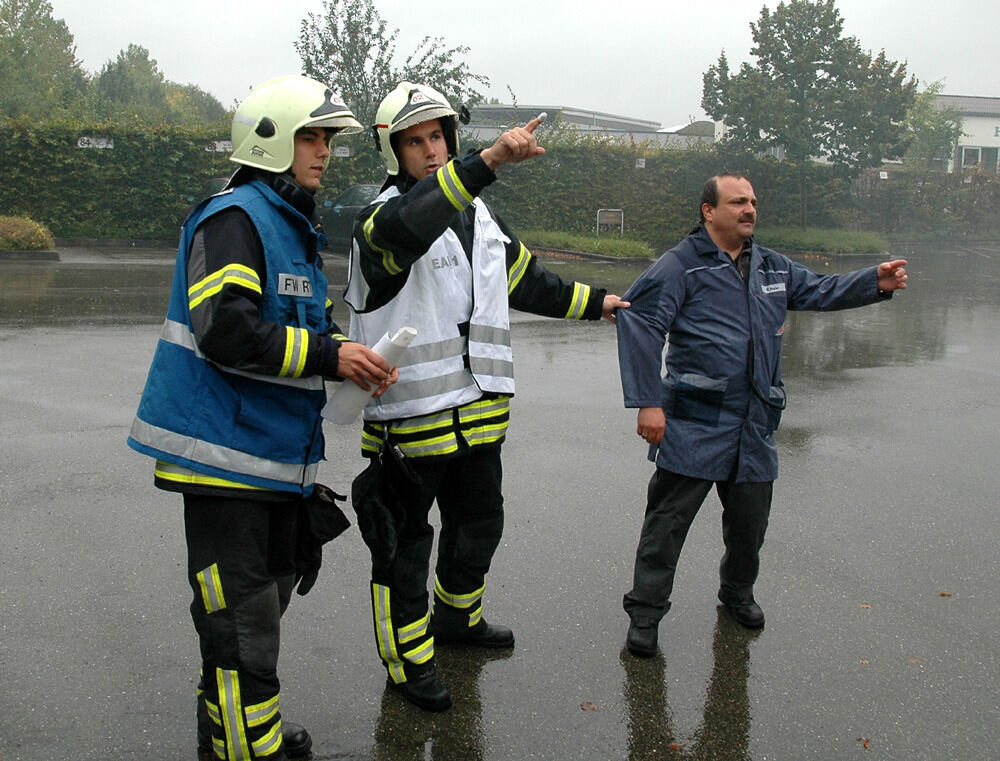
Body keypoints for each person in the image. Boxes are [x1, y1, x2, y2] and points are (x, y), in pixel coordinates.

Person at [127, 75, 395, 759]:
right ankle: (251, 749)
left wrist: (356, 366)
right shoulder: (235, 217)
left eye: (327, 138)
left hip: (272, 462)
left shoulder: (287, 223)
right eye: (310, 135)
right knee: (244, 629)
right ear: (269, 139)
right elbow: (228, 330)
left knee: (253, 617)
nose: (324, 151)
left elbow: (300, 336)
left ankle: (233, 731)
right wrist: (334, 356)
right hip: (226, 463)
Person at [343, 81, 628, 711]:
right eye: (414, 143)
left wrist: (597, 304)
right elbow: (416, 220)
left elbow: (527, 281)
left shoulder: (479, 217)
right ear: (395, 154)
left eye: (437, 137)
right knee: (403, 547)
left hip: (477, 418)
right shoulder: (381, 222)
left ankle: (457, 622)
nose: (431, 151)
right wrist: (491, 161)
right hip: (411, 423)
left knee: (478, 528)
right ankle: (408, 664)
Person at [616, 173, 908, 657]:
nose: (749, 210)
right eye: (737, 202)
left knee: (749, 527)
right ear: (709, 211)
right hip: (695, 421)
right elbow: (641, 322)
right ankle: (645, 615)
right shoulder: (680, 267)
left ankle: (737, 595)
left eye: (752, 202)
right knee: (665, 527)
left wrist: (871, 283)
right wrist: (648, 401)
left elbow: (819, 289)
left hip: (754, 422)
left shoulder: (771, 266)